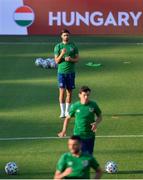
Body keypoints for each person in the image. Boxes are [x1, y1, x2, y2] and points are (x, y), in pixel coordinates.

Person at [58, 86, 102, 155]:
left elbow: (100, 116)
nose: (86, 97)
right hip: (78, 136)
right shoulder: (75, 106)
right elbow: (67, 118)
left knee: (89, 156)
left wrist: (96, 123)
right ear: (79, 95)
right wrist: (63, 131)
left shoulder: (93, 105)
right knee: (80, 156)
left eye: (88, 95)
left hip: (90, 135)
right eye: (84, 95)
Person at [54, 29, 79, 118]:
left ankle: (67, 112)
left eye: (67, 35)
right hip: (61, 73)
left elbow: (77, 59)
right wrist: (62, 54)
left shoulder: (73, 46)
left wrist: (71, 59)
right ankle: (62, 112)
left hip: (71, 73)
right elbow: (56, 61)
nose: (66, 37)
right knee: (62, 92)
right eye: (64, 35)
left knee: (69, 92)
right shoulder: (58, 46)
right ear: (61, 36)